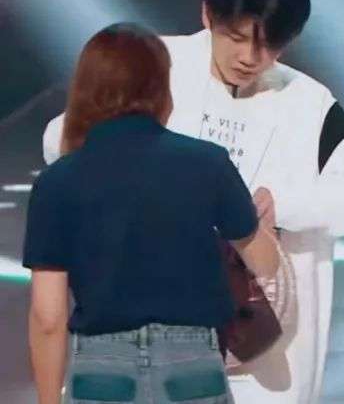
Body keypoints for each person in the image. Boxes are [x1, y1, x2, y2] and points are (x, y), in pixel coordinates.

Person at [42, 0, 344, 404]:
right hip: (144, 337)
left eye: (269, 45)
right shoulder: (155, 64)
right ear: (207, 13)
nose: (250, 58)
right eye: (236, 37)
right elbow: (61, 139)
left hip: (261, 344)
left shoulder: (309, 103)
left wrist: (286, 203)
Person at [24, 22, 279, 404]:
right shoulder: (207, 163)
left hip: (100, 371)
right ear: (161, 87)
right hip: (192, 367)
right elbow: (264, 263)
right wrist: (265, 225)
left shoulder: (57, 181)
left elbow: (48, 316)